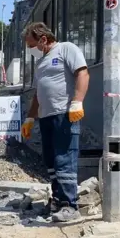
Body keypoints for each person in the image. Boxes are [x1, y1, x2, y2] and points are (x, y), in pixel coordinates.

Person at [21, 22, 89, 223]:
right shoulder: (41, 63)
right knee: (51, 161)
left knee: (64, 159)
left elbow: (82, 73)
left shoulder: (66, 49)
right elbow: (38, 94)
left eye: (31, 44)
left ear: (43, 39)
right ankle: (58, 201)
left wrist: (77, 101)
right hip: (47, 117)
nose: (30, 49)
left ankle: (70, 205)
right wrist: (30, 118)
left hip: (65, 115)